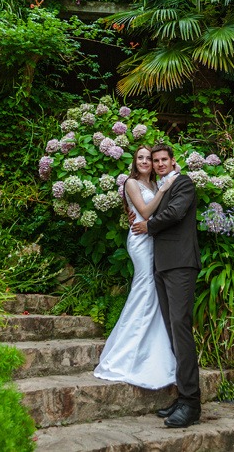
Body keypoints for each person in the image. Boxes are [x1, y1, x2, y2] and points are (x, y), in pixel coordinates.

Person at [93, 146, 178, 389]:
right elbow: (144, 211)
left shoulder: (155, 183)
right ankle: (126, 354)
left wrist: (163, 185)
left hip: (155, 239)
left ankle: (151, 351)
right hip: (141, 241)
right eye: (140, 158)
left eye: (148, 159)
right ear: (134, 162)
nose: (144, 162)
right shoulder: (132, 183)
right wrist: (163, 190)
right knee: (145, 288)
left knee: (154, 291)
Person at [131, 143, 201, 428]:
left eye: (163, 160)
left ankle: (192, 404)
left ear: (174, 162)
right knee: (173, 330)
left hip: (181, 264)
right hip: (162, 265)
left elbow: (175, 214)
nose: (159, 164)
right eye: (155, 160)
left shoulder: (183, 183)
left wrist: (148, 225)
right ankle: (183, 397)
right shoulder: (163, 187)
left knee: (180, 328)